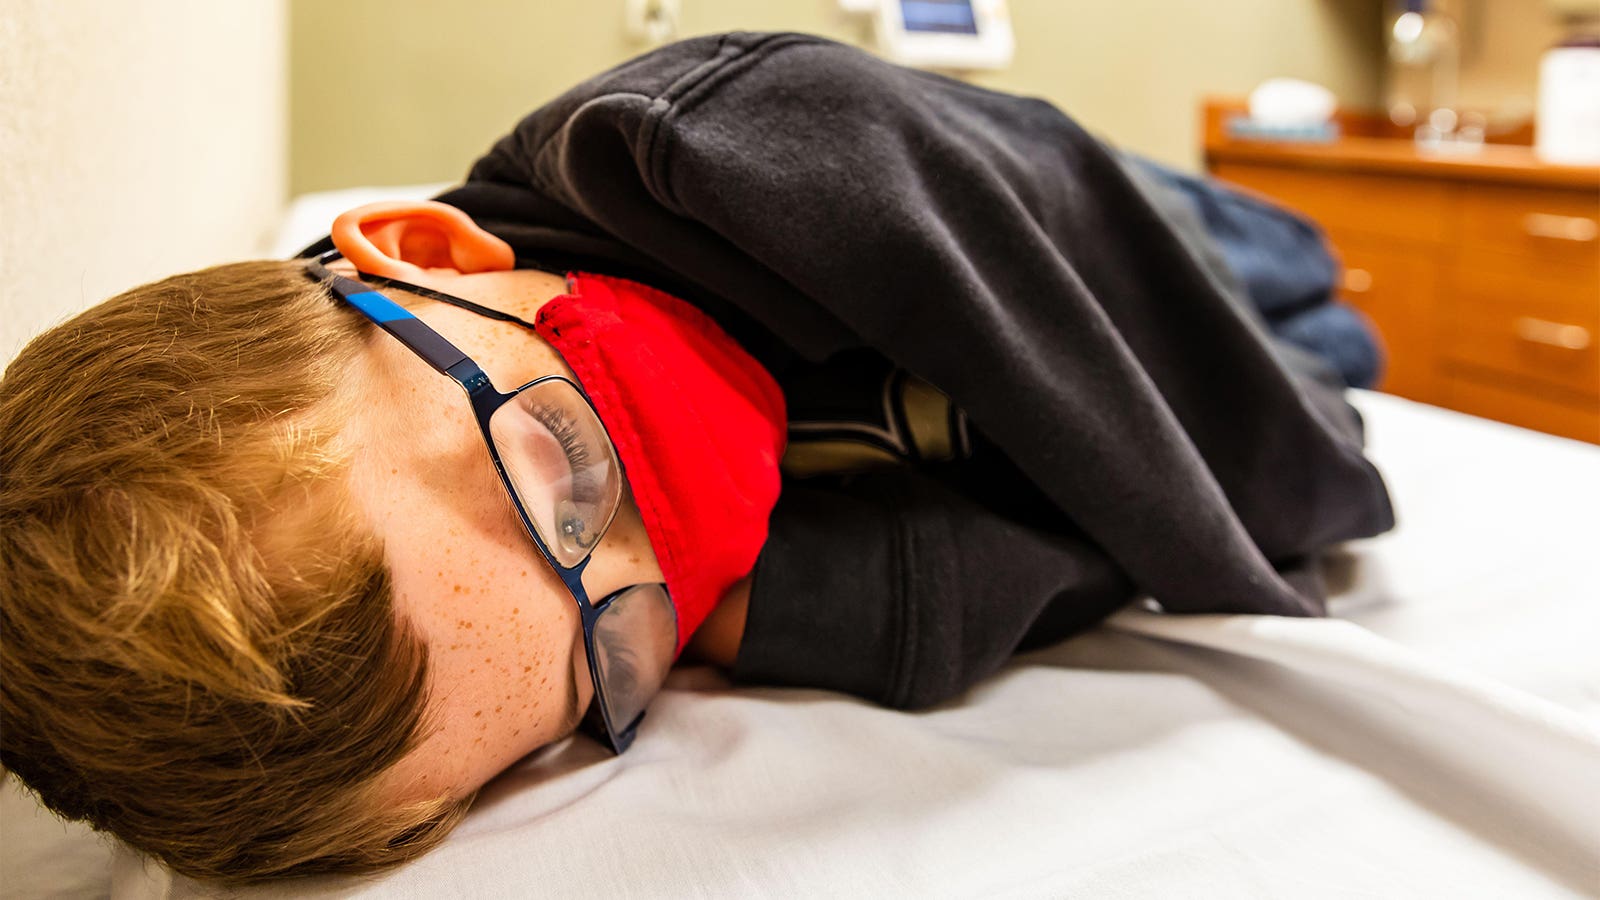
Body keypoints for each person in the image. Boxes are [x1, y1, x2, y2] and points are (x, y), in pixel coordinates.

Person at [0, 31, 1394, 883]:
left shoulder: (741, 150)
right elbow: (969, 594)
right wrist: (746, 616)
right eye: (605, 663)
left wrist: (1281, 523)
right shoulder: (640, 610)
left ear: (426, 256)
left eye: (560, 469)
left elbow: (1288, 488)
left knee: (1315, 301)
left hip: (1128, 237)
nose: (659, 548)